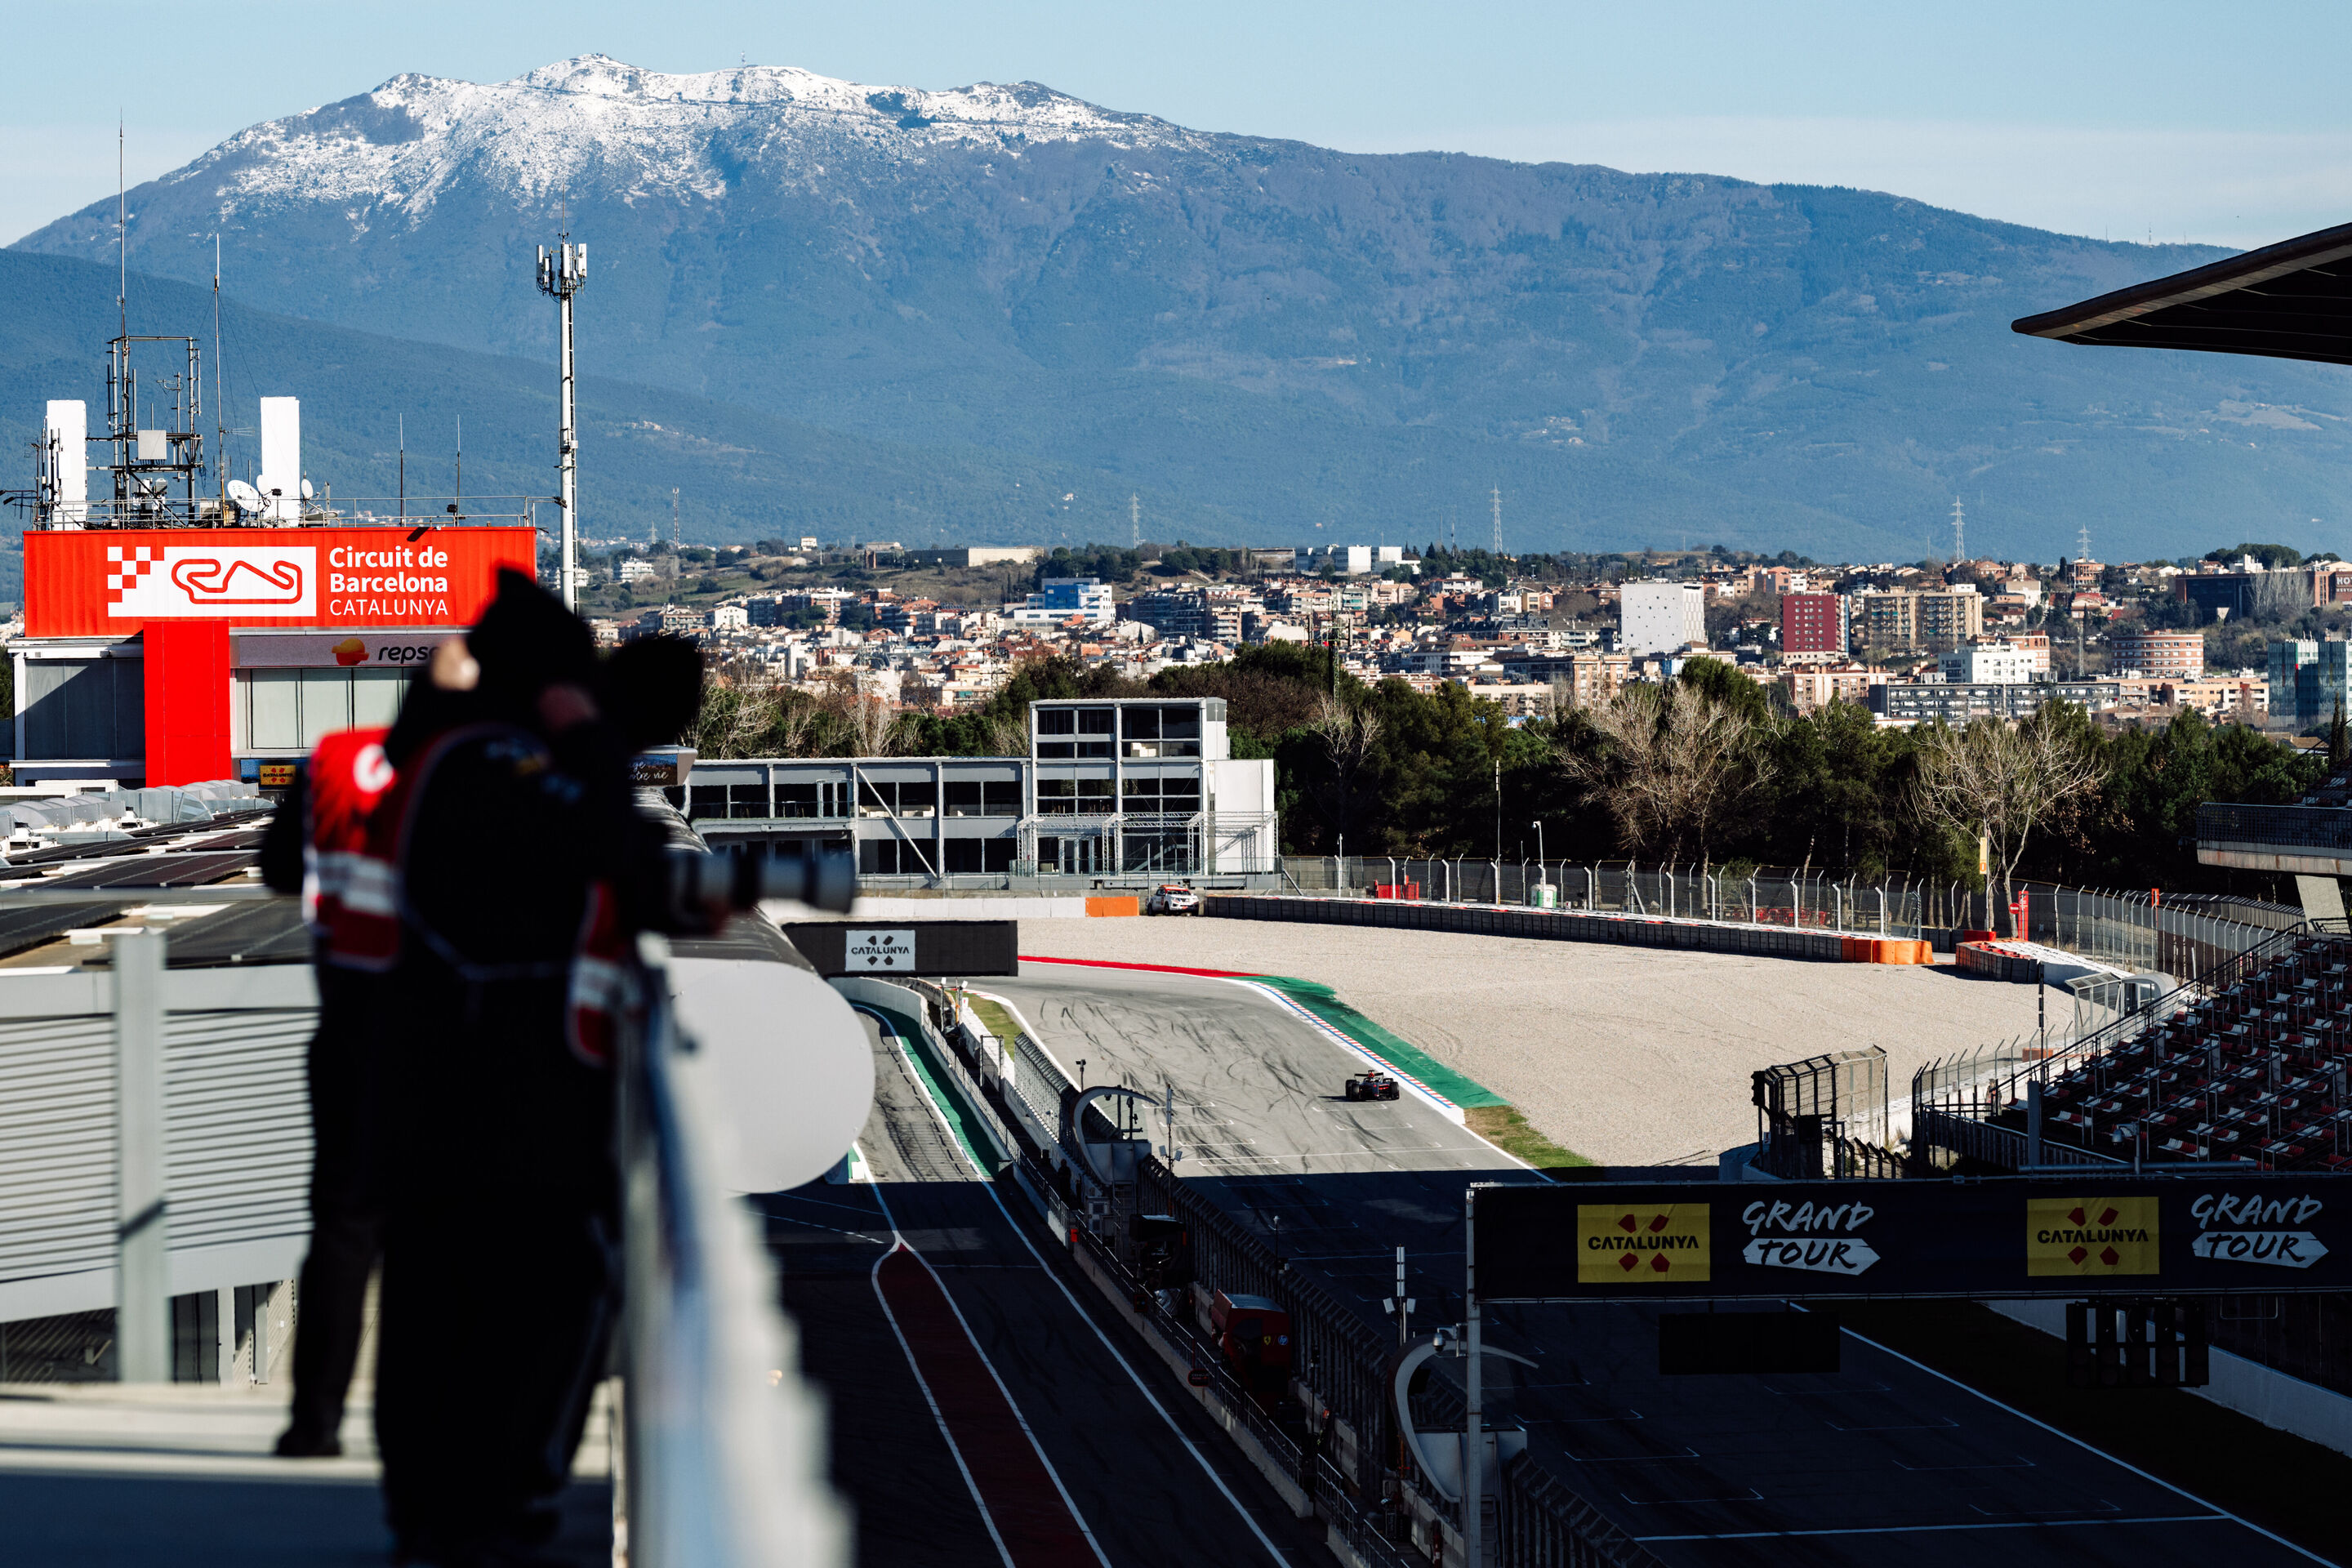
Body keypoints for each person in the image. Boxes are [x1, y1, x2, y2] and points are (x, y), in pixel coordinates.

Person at [368, 572, 702, 1566]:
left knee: (435, 1299)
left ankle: (431, 1506)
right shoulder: (495, 764)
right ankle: (486, 1499)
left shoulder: (442, 751)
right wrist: (588, 740)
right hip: (501, 1091)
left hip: (437, 1080)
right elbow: (603, 845)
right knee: (536, 1294)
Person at [261, 721, 400, 1458]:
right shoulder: (512, 759)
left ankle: (314, 1423)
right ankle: (426, 1437)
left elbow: (280, 867)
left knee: (343, 1235)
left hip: (352, 1029)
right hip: (464, 1040)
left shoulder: (337, 760)